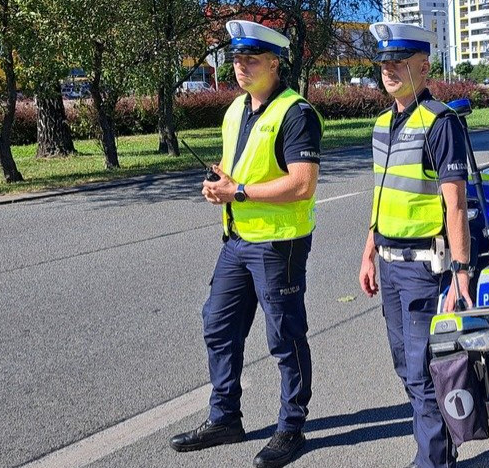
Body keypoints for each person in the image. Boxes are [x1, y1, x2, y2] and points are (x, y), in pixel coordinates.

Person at [169, 19, 323, 468]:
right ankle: (225, 418)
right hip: (236, 240)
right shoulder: (236, 109)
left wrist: (236, 191)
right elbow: (240, 168)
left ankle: (291, 427)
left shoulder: (297, 113)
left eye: (250, 58)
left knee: (285, 337)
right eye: (236, 58)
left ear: (275, 63)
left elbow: (302, 185)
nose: (240, 66)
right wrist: (221, 181)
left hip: (279, 244)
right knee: (218, 325)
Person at [358, 22, 473, 468]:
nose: (389, 71)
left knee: (425, 371)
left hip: (424, 268)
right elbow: (382, 195)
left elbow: (456, 206)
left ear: (423, 68)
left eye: (399, 63)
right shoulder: (382, 124)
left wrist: (460, 271)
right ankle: (434, 450)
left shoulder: (439, 123)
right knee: (405, 367)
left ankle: (434, 460)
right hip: (388, 264)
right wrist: (369, 251)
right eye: (384, 63)